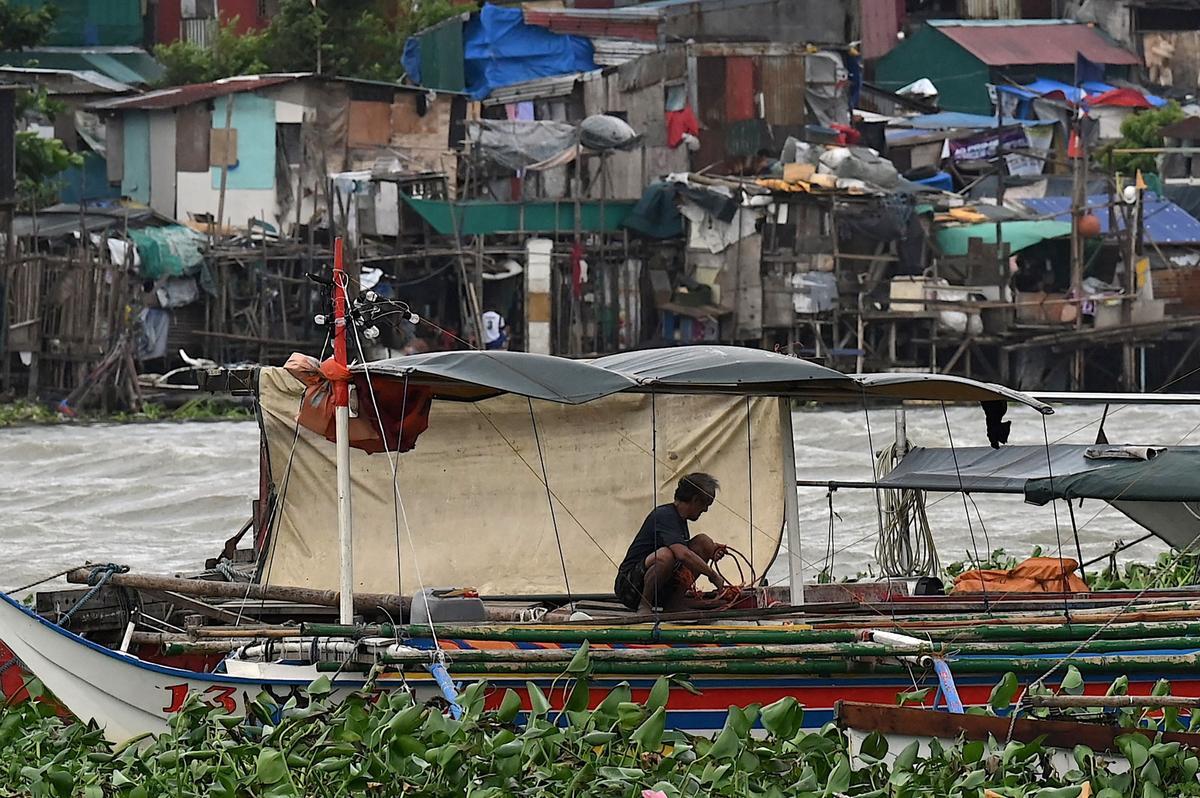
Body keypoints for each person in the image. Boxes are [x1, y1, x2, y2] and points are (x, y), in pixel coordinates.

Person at [614, 472, 729, 614]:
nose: (705, 510)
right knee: (665, 556)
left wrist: (710, 551)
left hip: (660, 587)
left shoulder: (680, 521)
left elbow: (690, 551)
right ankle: (644, 605)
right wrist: (712, 575)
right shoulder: (664, 515)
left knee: (704, 542)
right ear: (695, 500)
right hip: (631, 588)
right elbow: (682, 554)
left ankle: (674, 602)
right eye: (705, 505)